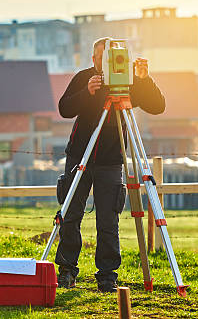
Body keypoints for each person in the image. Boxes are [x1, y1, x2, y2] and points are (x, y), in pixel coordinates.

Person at [55, 37, 165, 293]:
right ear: (94, 60)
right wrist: (88, 92)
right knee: (70, 215)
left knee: (108, 221)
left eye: (112, 57)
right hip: (79, 156)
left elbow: (158, 106)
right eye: (101, 57)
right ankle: (67, 271)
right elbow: (64, 109)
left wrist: (144, 79)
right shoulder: (84, 77)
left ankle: (107, 276)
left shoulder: (127, 81)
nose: (106, 62)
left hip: (111, 160)